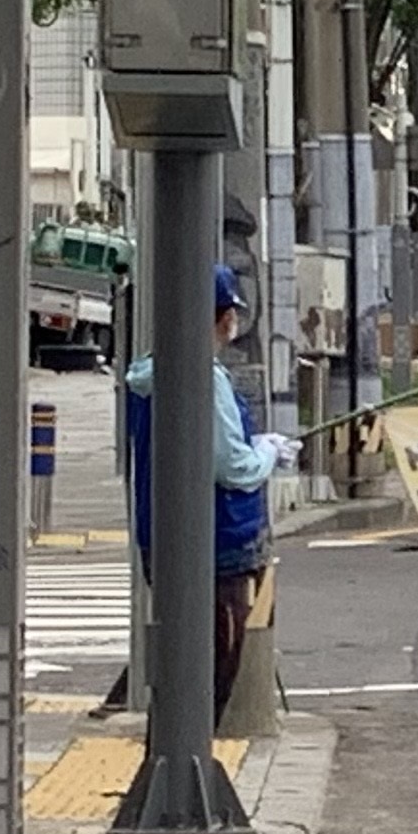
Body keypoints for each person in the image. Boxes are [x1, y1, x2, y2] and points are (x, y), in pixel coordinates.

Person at [124, 266, 296, 711]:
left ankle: (174, 765)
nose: (232, 324)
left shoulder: (147, 372)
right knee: (207, 683)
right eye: (229, 313)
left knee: (179, 679)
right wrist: (269, 453)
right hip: (220, 541)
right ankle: (186, 774)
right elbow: (230, 466)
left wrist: (254, 445)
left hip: (162, 538)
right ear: (220, 317)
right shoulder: (203, 374)